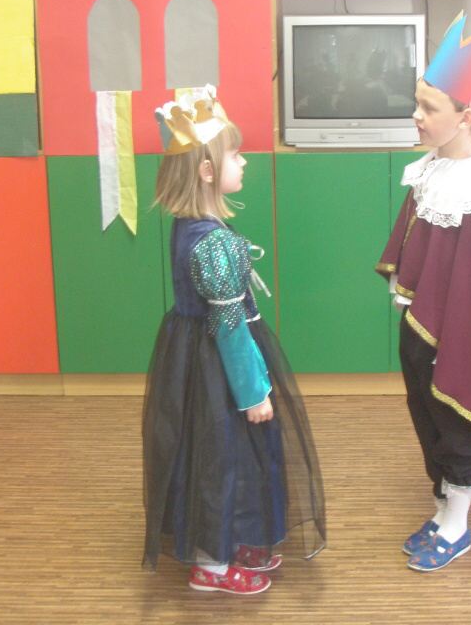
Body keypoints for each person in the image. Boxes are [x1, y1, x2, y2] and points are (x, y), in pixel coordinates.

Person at [142, 85, 326, 594]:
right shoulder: (214, 244)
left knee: (223, 455)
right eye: (236, 155)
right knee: (220, 460)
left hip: (192, 356)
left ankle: (226, 540)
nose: (244, 162)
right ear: (206, 171)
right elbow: (228, 328)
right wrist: (253, 392)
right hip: (219, 367)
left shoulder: (189, 226)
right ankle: (212, 566)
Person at [376, 13, 471, 572]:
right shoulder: (429, 171)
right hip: (419, 325)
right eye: (417, 103)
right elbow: (411, 244)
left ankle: (458, 525)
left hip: (454, 336)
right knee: (426, 416)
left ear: (466, 118)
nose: (416, 116)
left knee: (456, 421)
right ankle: (443, 508)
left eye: (429, 108)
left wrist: (453, 345)